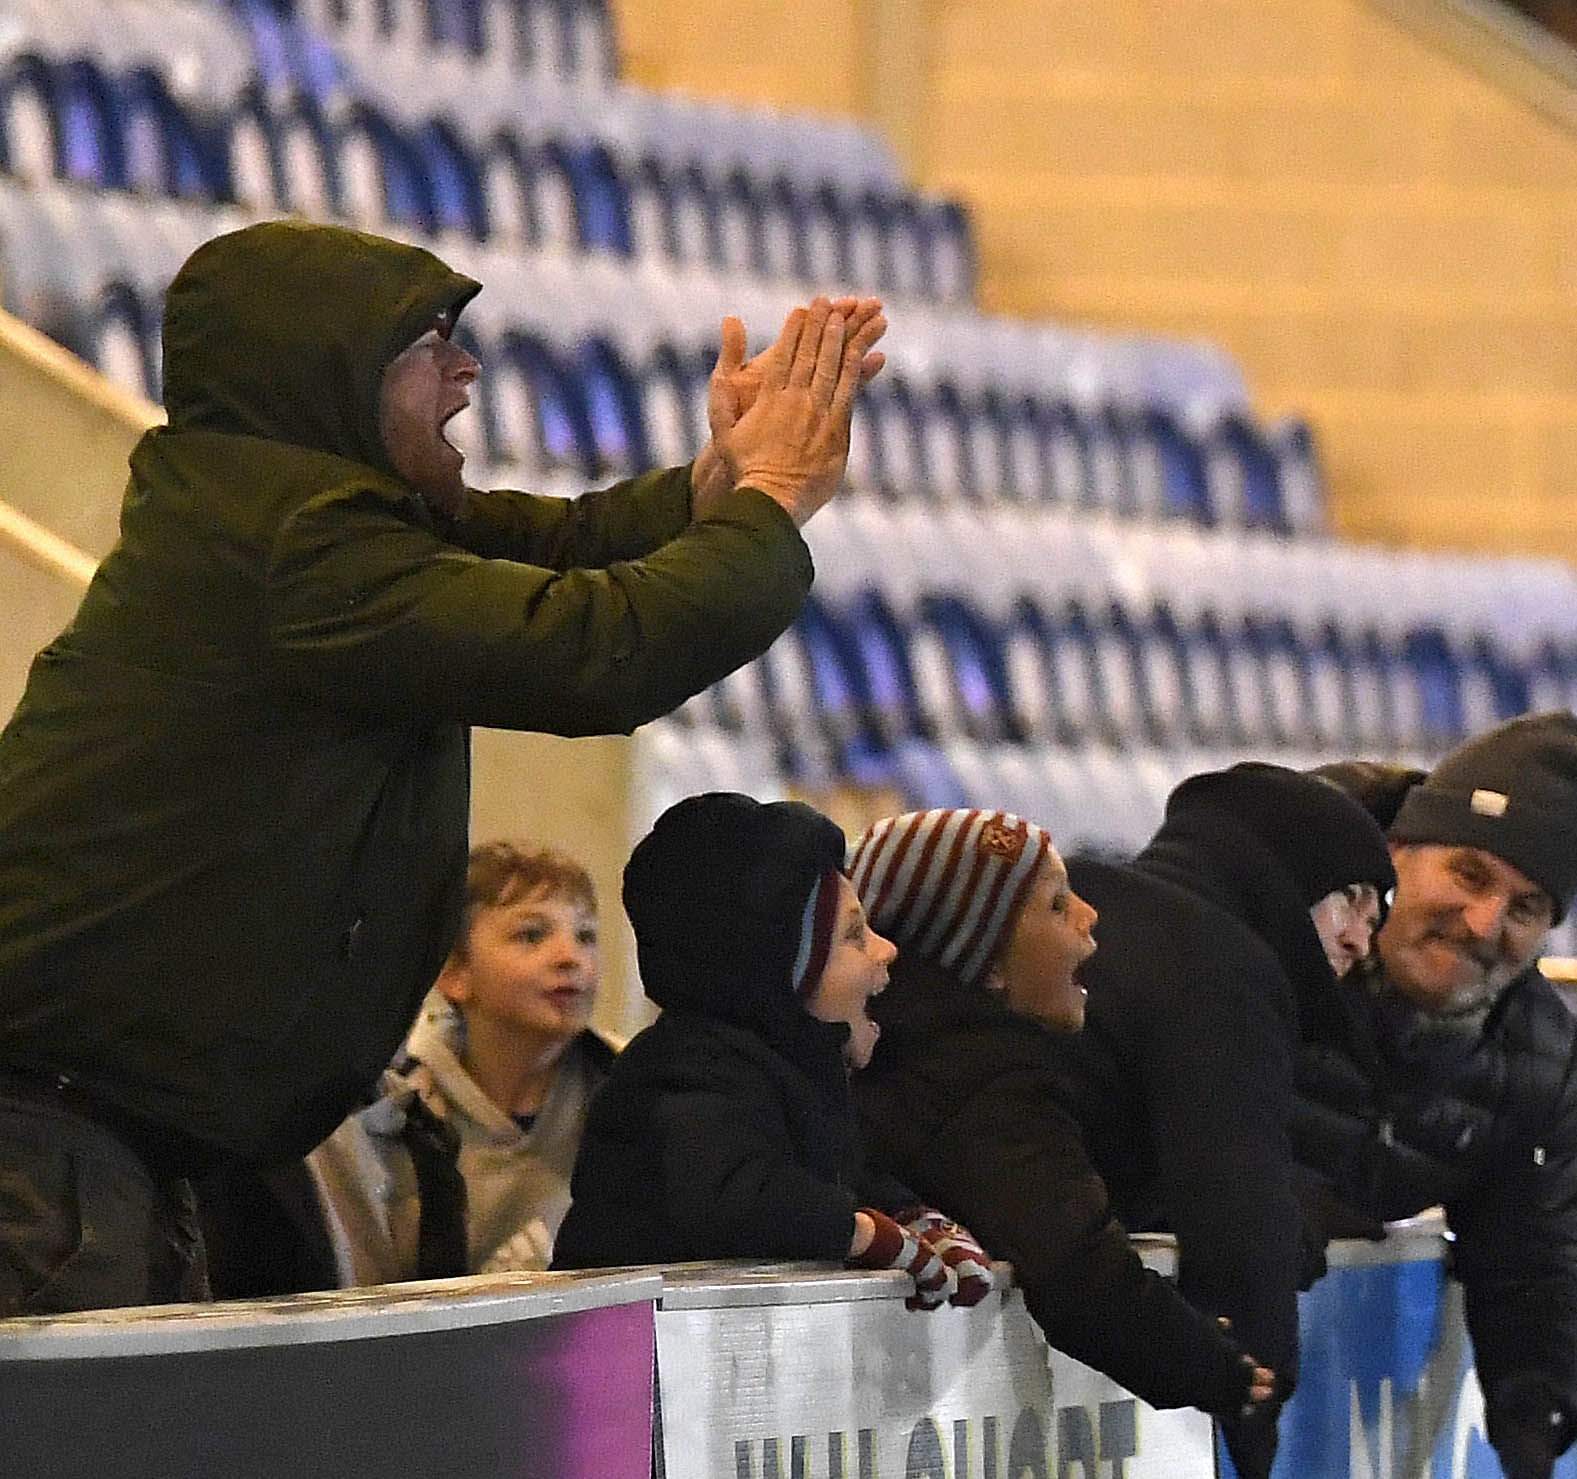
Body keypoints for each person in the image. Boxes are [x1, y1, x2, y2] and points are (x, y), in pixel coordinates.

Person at [0, 218, 876, 1317]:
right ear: (325, 370)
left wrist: (714, 491)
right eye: (426, 344)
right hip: (50, 1148)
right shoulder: (296, 553)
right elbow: (597, 648)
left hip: (100, 1137)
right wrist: (773, 500)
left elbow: (554, 549)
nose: (465, 369)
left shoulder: (295, 522)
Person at [848, 809, 1280, 1473]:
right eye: (1055, 904)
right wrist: (1211, 1366)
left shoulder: (923, 1059)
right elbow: (1075, 1265)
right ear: (983, 957)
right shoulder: (983, 1081)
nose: (1090, 913)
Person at [1294, 715, 1577, 1479]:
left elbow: (1536, 1249)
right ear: (1395, 853)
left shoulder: (1535, 1050)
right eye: (1468, 875)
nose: (1483, 922)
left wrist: (1537, 1403)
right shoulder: (1271, 936)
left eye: (1526, 906)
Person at [1057, 761, 1395, 1479]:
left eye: (1377, 917)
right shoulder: (1225, 969)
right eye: (1353, 901)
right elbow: (1234, 1206)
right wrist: (1255, 1398)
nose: (1362, 940)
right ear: (1285, 873)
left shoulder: (1076, 895)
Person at [553, 793, 987, 1310]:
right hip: (625, 1368)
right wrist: (867, 1235)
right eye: (853, 935)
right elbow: (736, 1196)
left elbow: (833, 1174)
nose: (885, 948)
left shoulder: (787, 1066)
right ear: (780, 974)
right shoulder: (689, 1069)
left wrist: (911, 1215)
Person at [297, 841, 616, 1283]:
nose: (570, 957)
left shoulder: (626, 1090)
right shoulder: (390, 1112)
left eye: (586, 936)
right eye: (532, 935)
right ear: (454, 974)